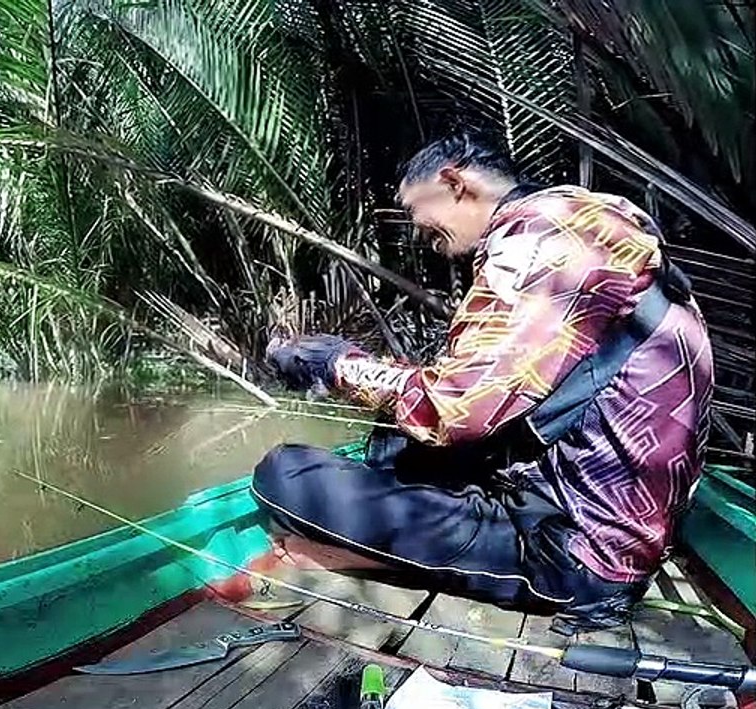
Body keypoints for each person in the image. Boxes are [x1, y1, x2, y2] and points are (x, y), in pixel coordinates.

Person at [253, 134, 714, 633]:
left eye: (415, 210)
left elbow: (454, 409)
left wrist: (336, 363)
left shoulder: (541, 243)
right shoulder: (593, 228)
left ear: (455, 182)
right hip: (610, 521)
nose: (415, 230)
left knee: (286, 474)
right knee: (392, 447)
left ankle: (359, 556)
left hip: (578, 552)